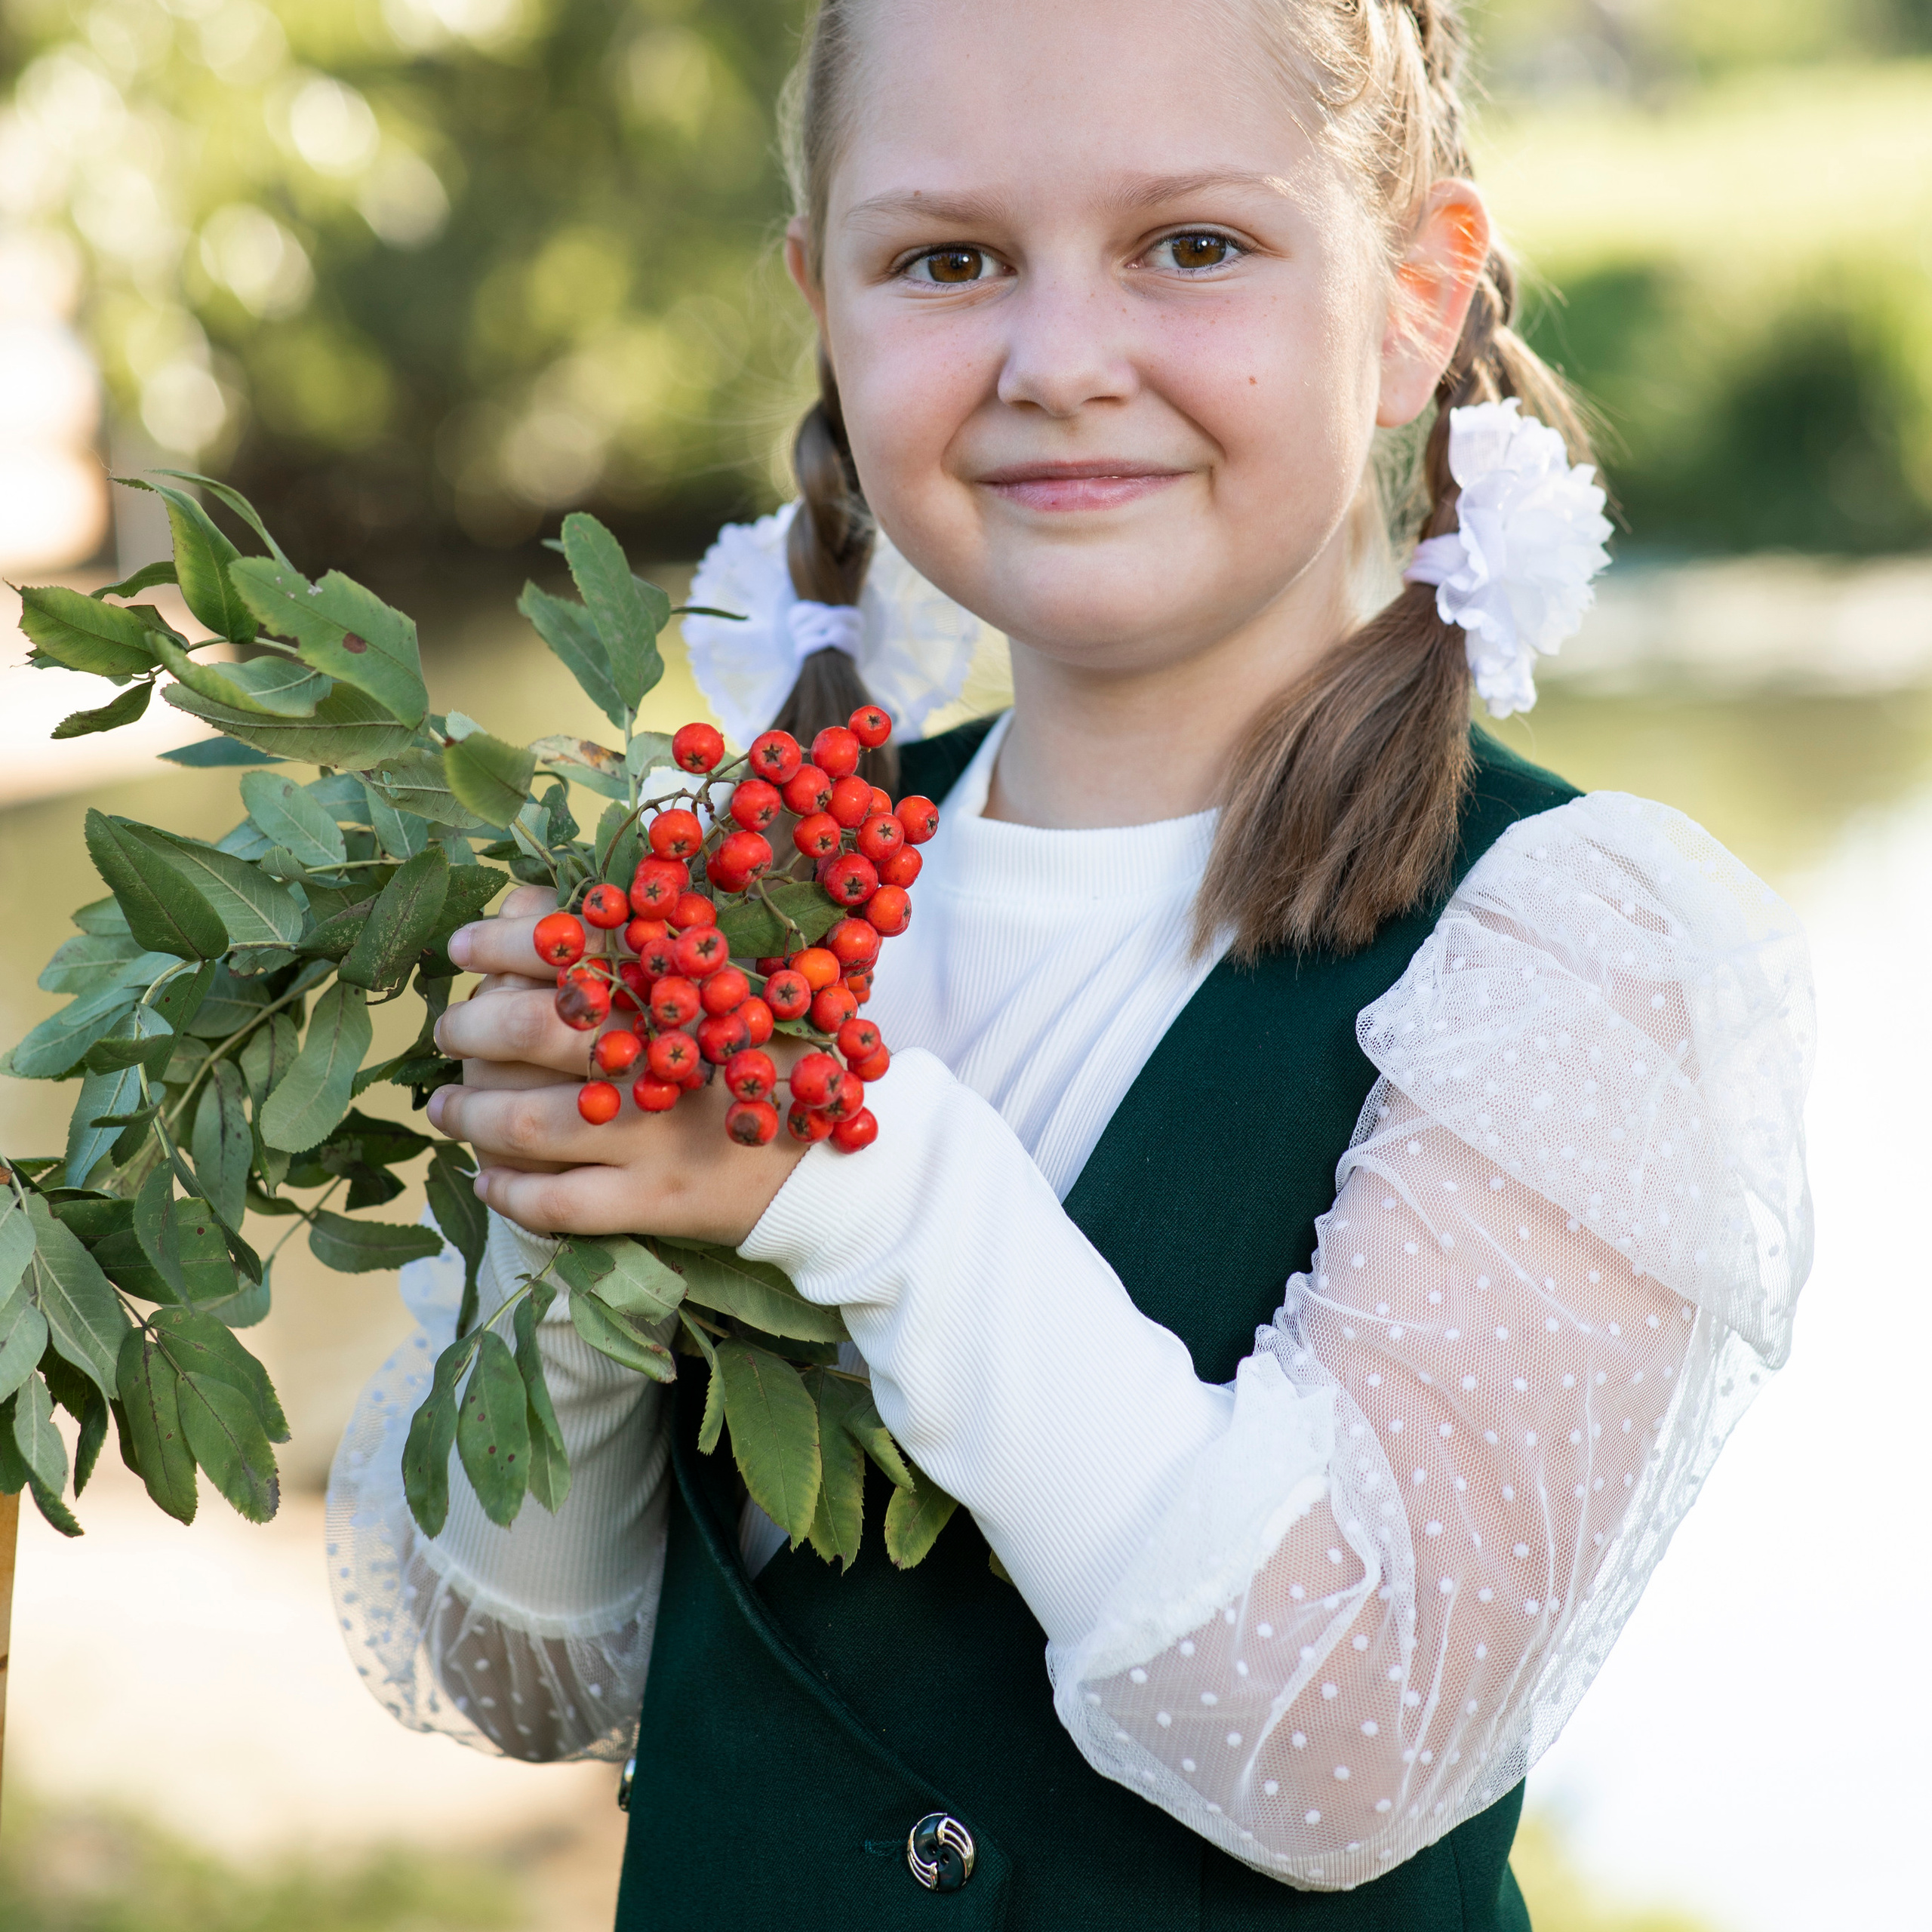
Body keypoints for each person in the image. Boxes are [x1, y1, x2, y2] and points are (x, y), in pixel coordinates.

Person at [326, 0, 1814, 1924]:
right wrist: (562, 1205)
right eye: (945, 261)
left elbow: (1338, 1737)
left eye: (1190, 246)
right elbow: (524, 1669)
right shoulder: (728, 886)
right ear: (823, 305)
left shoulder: (1568, 946)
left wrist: (851, 1176)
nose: (1056, 359)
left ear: (1411, 300)